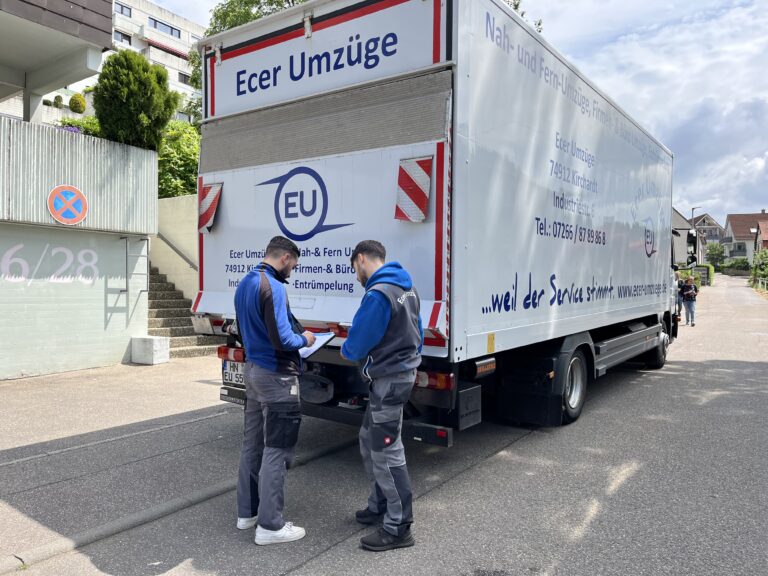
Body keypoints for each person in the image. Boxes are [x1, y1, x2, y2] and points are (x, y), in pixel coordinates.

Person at [341, 240, 423, 552]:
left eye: (354, 269)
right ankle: (380, 504)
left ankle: (398, 526)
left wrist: (348, 347)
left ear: (361, 259)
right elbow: (418, 329)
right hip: (399, 376)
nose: (356, 276)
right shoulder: (407, 287)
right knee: (368, 438)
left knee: (387, 452)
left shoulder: (377, 295)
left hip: (388, 380)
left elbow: (357, 345)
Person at [234, 236, 316, 545]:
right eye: (294, 263)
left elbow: (241, 329)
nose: (294, 268)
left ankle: (248, 513)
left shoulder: (246, 283)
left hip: (253, 372)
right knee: (277, 449)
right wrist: (306, 340)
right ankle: (270, 526)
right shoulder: (275, 287)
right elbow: (283, 338)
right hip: (278, 377)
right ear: (285, 257)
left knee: (252, 444)